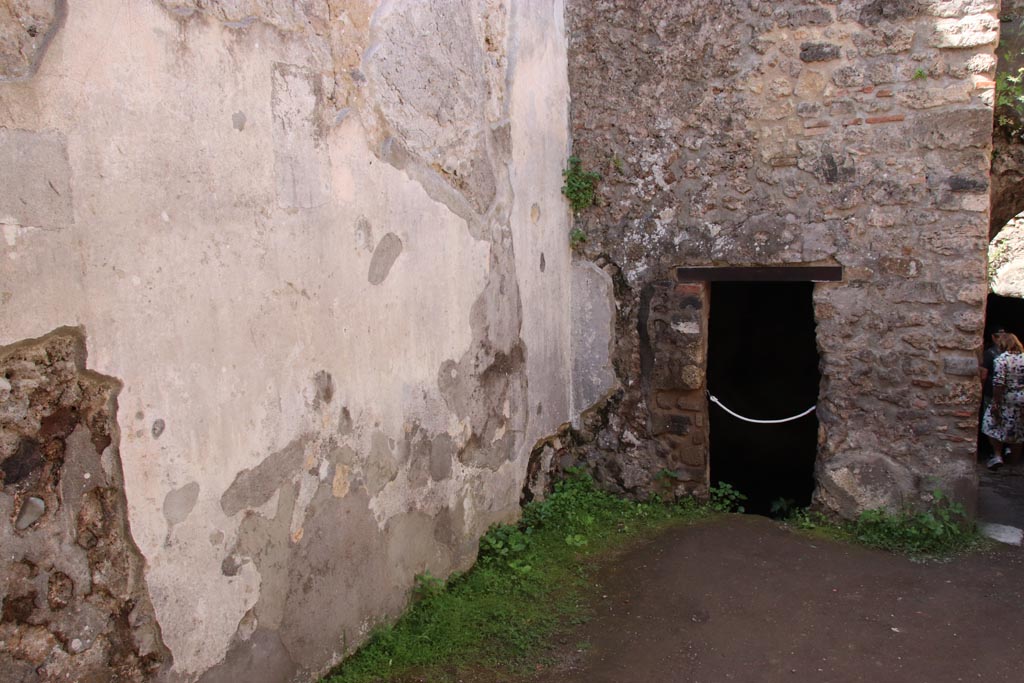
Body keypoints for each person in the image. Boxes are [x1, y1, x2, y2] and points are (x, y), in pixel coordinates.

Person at [982, 332, 1024, 470]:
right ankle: (1013, 462)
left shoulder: (1002, 359)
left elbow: (999, 382)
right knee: (1019, 428)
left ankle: (997, 454)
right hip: (1021, 397)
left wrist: (996, 402)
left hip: (1006, 397)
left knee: (992, 424)